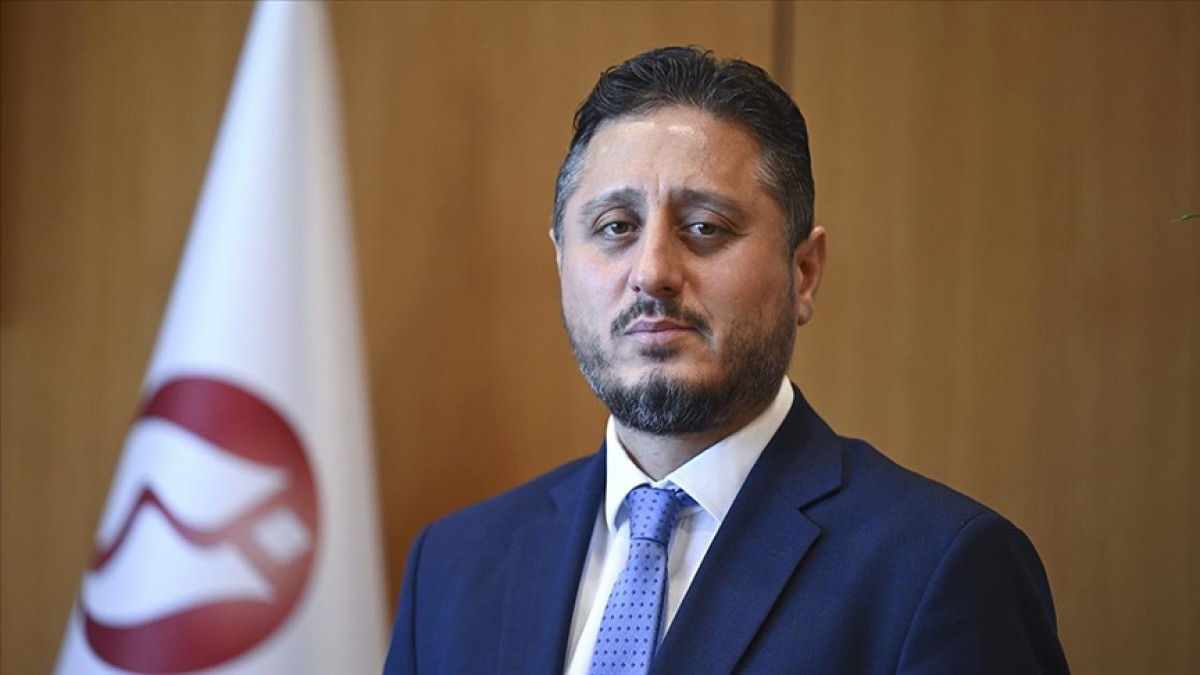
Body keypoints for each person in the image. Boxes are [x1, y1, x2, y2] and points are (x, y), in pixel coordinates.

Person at [383, 46, 1069, 674]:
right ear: (562, 262)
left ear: (804, 272)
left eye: (705, 227)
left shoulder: (939, 568)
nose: (652, 272)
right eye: (616, 227)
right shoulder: (452, 565)